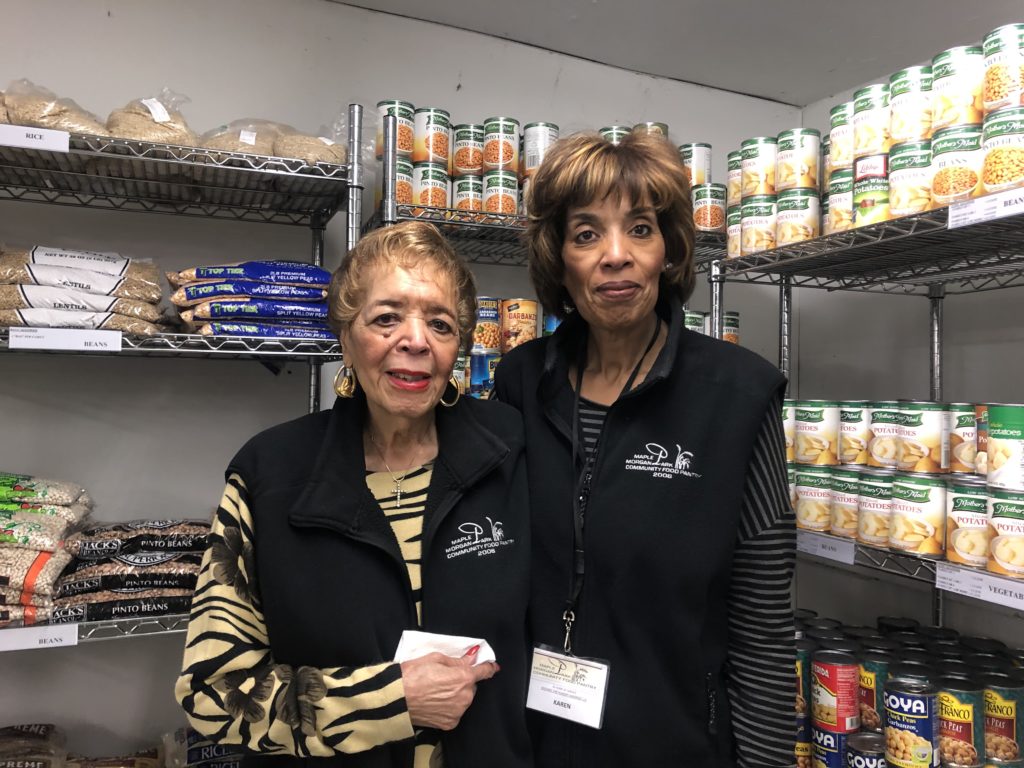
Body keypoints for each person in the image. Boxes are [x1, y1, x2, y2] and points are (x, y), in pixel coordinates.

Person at [176, 221, 533, 768]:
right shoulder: (271, 475)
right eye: (386, 318)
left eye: (439, 323)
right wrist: (390, 701)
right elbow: (212, 692)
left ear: (458, 346)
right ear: (345, 336)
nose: (415, 340)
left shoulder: (510, 452)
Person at [494, 131, 795, 768]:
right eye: (585, 234)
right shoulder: (519, 383)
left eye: (639, 228)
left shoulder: (738, 397)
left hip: (672, 743)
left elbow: (763, 626)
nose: (615, 256)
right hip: (532, 744)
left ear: (669, 250)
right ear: (560, 259)